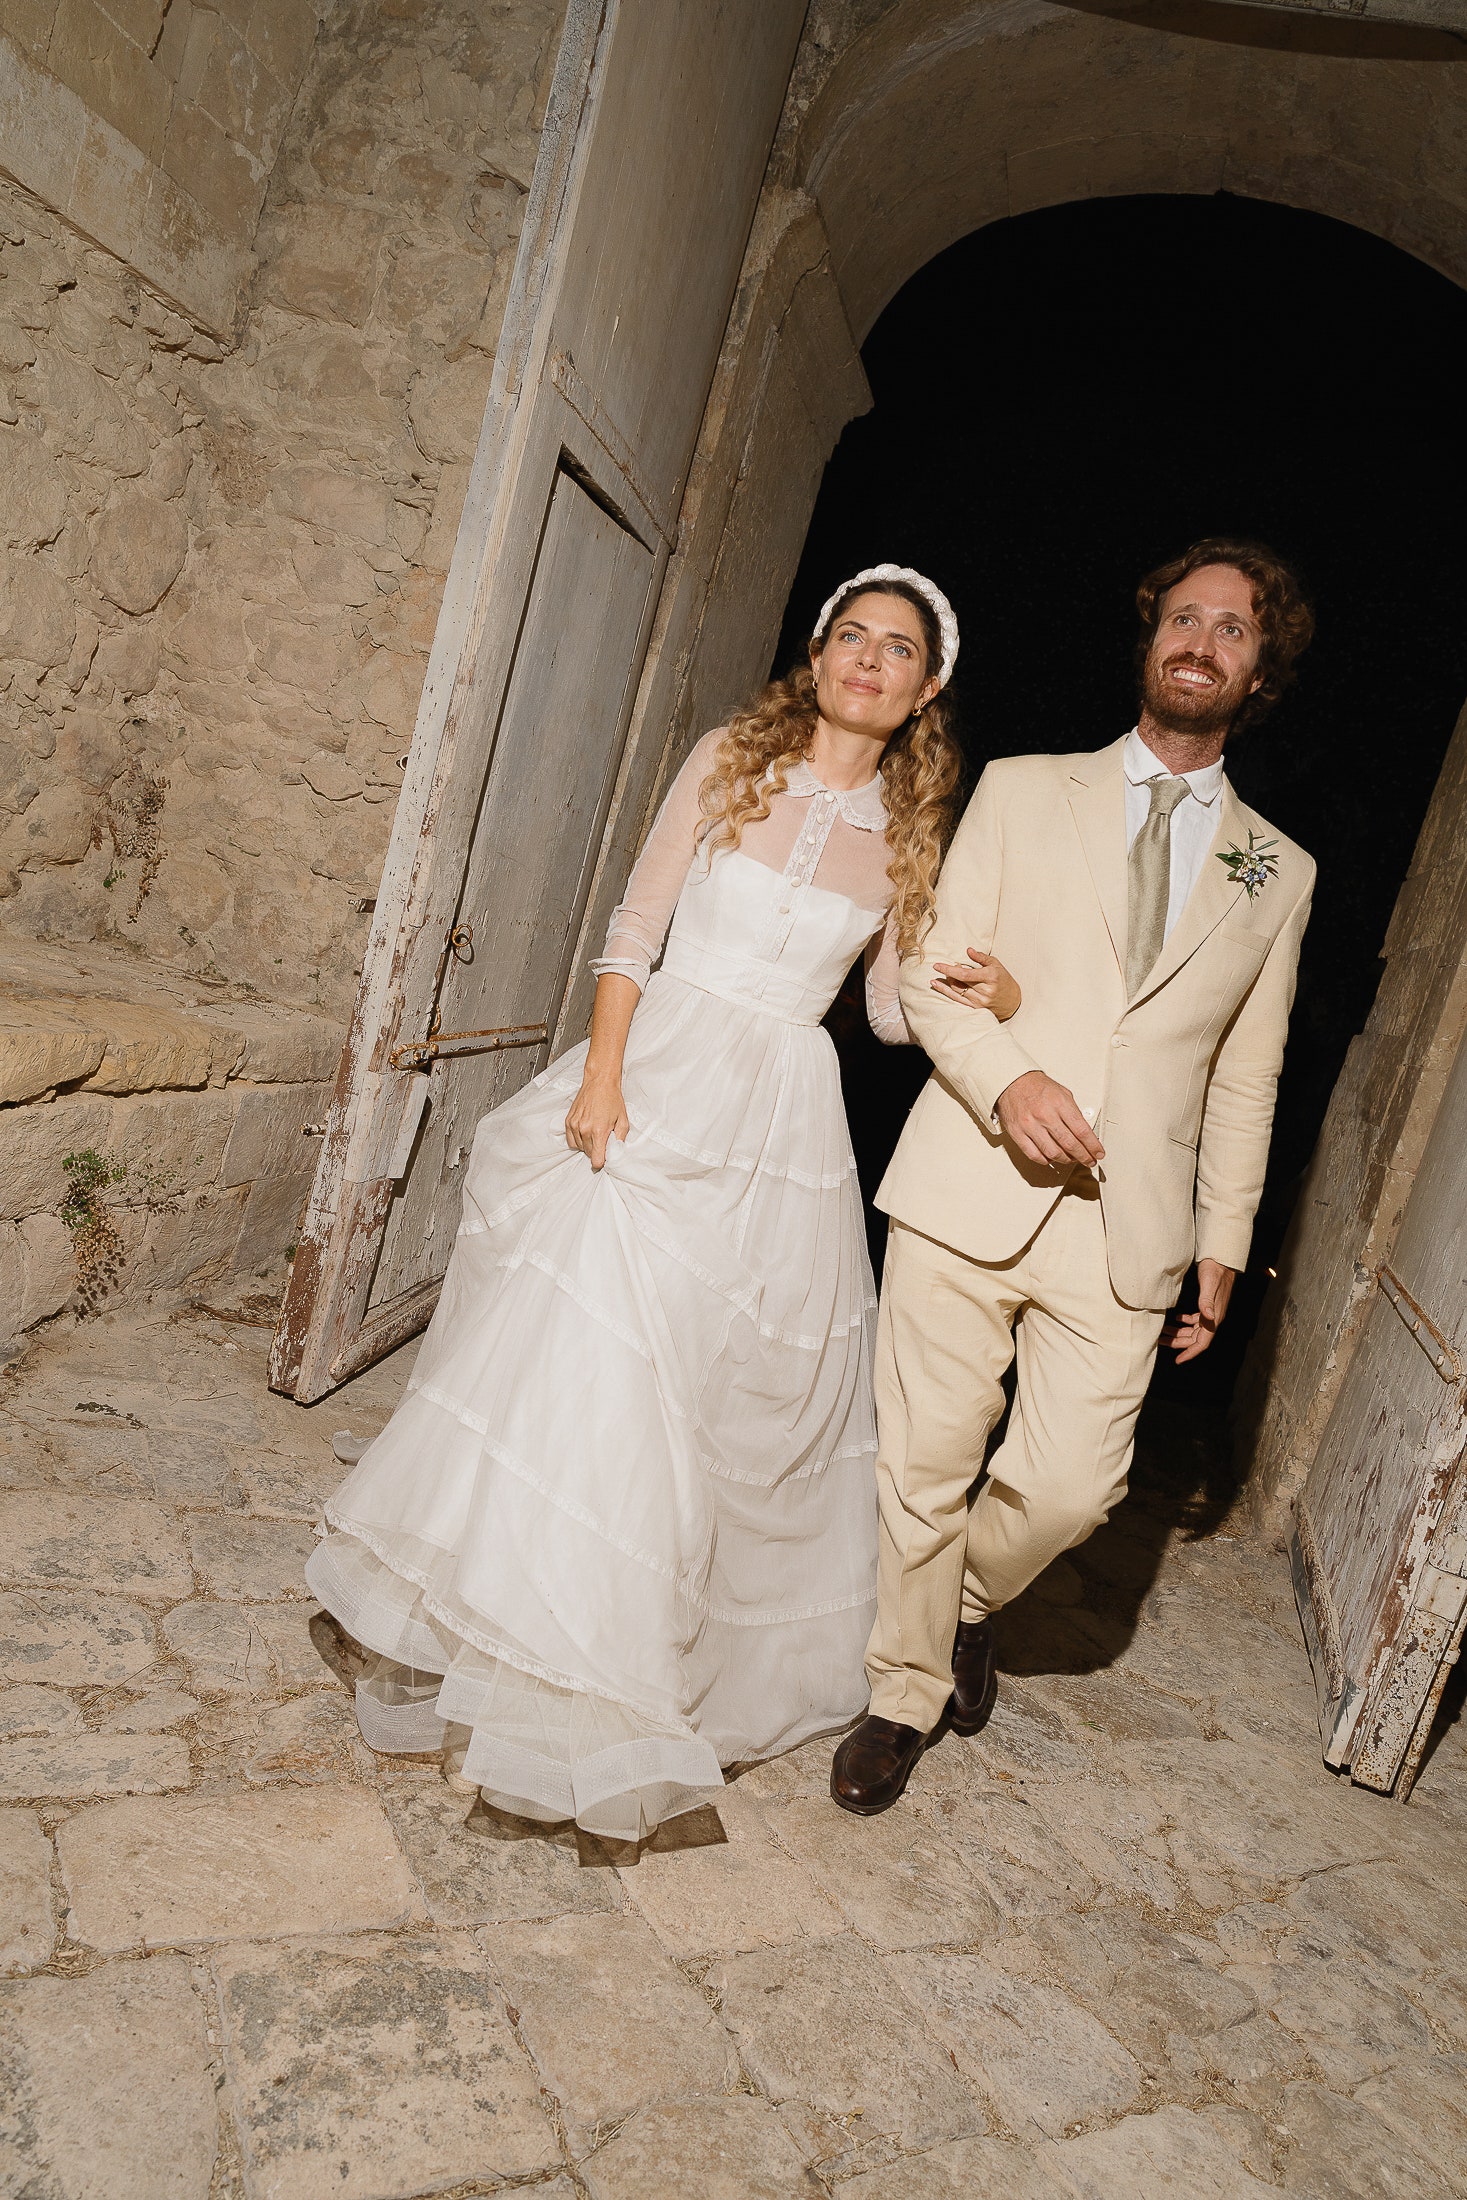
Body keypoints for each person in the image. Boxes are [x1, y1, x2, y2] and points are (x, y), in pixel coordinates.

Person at [307, 564, 1020, 1841]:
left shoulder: (915, 837)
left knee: (702, 1383)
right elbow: (636, 926)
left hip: (778, 1121)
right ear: (819, 653)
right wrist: (603, 1072)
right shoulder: (730, 759)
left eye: (897, 649)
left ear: (926, 691)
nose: (868, 658)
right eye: (850, 634)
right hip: (657, 1070)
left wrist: (991, 994)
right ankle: (517, 1627)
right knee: (591, 1346)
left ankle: (619, 1647)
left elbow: (886, 1013)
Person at [832, 538, 1316, 1814]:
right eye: (1185, 615)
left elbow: (1245, 1077)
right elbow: (938, 971)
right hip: (968, 1174)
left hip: (1127, 1220)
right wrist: (1009, 1081)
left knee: (1072, 1488)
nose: (1202, 639)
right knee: (926, 1457)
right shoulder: (1021, 786)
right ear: (1150, 632)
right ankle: (900, 1691)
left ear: (1260, 669)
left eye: (1235, 627)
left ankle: (966, 1606)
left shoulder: (1281, 870)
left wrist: (1222, 1246)